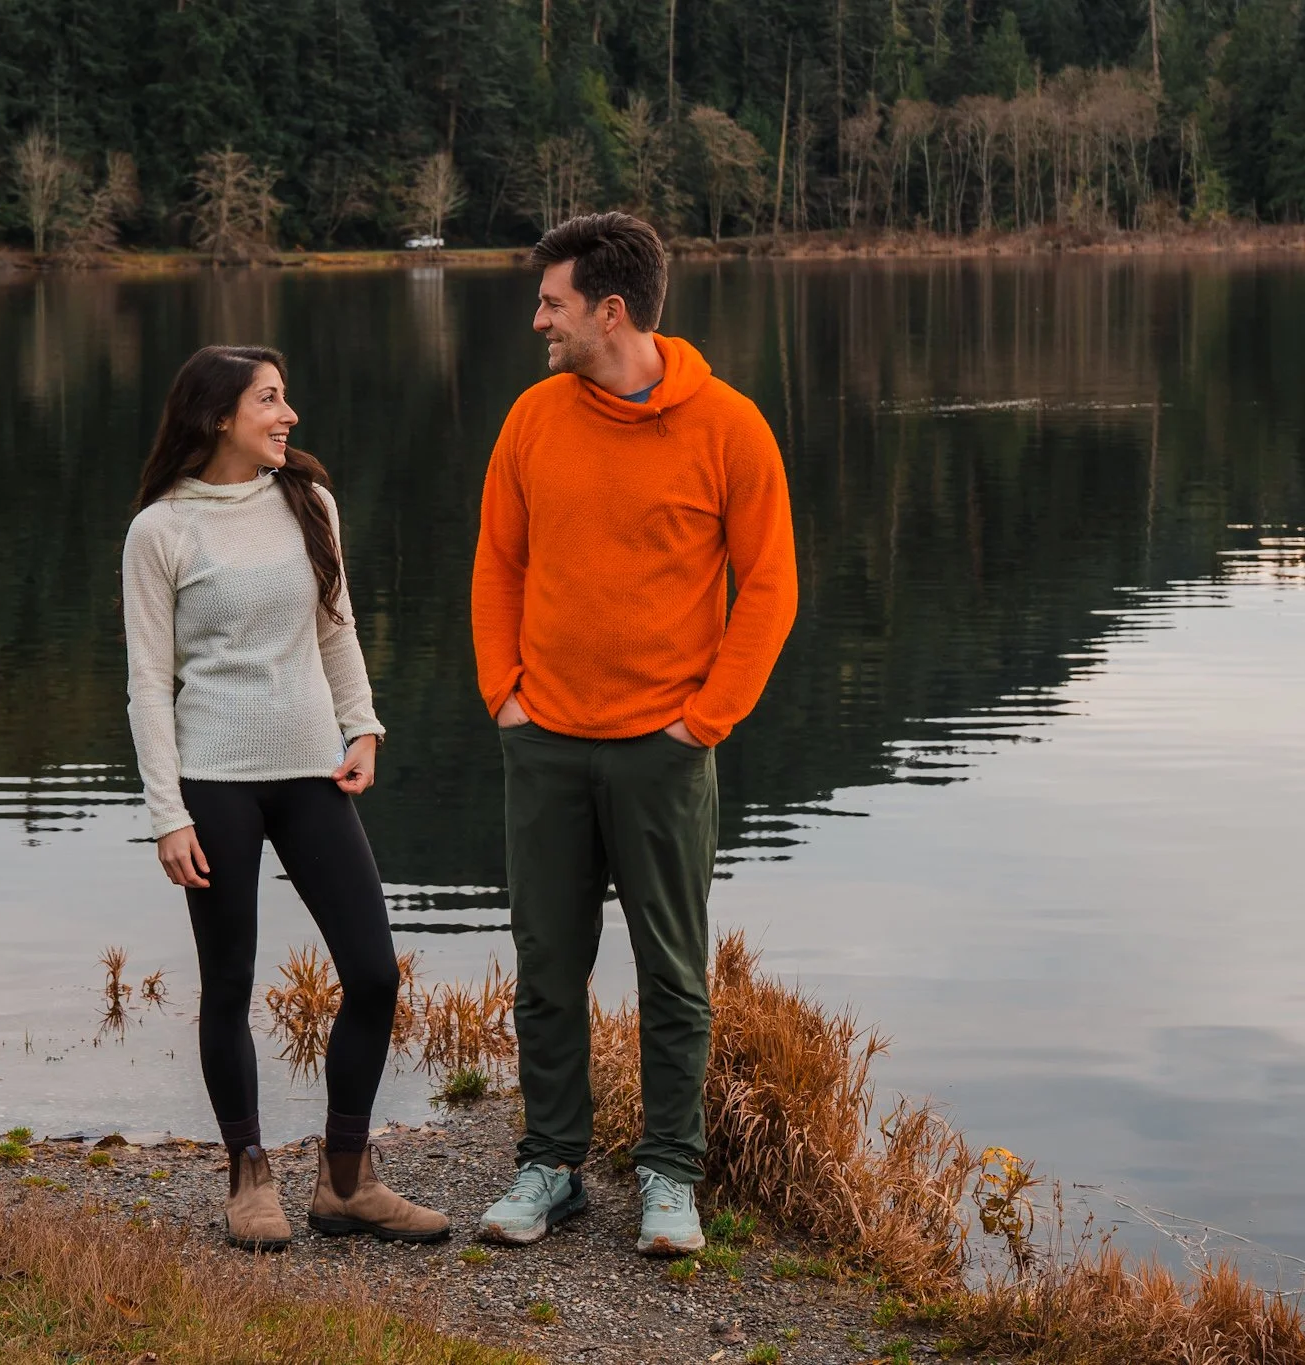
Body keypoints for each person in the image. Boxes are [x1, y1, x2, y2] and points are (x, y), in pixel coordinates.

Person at [471, 214, 798, 1255]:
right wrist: (502, 697)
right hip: (547, 741)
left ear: (609, 311)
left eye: (552, 304)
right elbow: (496, 564)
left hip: (664, 749)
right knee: (544, 961)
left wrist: (703, 719)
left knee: (670, 969)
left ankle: (668, 1177)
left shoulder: (730, 427)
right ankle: (550, 1166)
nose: (538, 322)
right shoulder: (531, 419)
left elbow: (771, 590)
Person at [122, 344, 449, 1251]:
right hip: (214, 781)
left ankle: (346, 1178)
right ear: (219, 415)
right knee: (229, 983)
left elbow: (335, 627)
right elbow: (149, 685)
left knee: (375, 974)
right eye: (270, 400)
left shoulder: (308, 501)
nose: (289, 414)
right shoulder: (162, 531)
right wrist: (168, 814)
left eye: (286, 397)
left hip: (311, 769)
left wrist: (366, 724)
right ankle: (248, 1173)